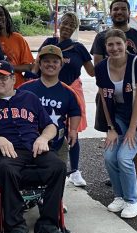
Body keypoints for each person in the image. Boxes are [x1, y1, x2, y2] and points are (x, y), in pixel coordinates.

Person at [0, 60, 68, 233]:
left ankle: (47, 225)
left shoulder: (29, 98)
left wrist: (43, 138)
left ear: (13, 79)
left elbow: (50, 126)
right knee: (6, 169)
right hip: (7, 151)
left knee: (58, 167)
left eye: (3, 77)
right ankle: (15, 227)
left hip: (34, 148)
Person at [95, 29, 137, 219]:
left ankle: (133, 201)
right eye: (110, 45)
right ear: (105, 48)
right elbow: (105, 100)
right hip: (119, 115)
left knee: (123, 157)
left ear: (125, 44)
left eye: (118, 44)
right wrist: (111, 128)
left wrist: (132, 129)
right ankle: (120, 196)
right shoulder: (101, 68)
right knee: (109, 156)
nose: (114, 48)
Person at [90, 0, 137, 189]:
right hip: (110, 94)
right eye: (115, 8)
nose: (119, 12)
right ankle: (118, 173)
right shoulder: (101, 37)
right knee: (114, 134)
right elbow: (98, 66)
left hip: (135, 93)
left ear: (128, 12)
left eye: (123, 9)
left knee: (132, 136)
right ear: (110, 12)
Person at [34, 12, 94, 187]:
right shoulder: (49, 43)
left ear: (75, 28)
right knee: (45, 129)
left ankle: (74, 171)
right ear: (59, 24)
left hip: (71, 93)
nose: (67, 27)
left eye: (71, 25)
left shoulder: (79, 48)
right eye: (65, 24)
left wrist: (109, 60)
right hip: (48, 92)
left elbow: (92, 72)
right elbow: (37, 64)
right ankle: (43, 167)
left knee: (72, 132)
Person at [19, 45, 82, 173]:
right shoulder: (25, 88)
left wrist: (73, 130)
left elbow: (75, 111)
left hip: (57, 144)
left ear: (61, 65)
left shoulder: (68, 92)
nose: (50, 65)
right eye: (46, 61)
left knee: (57, 177)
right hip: (26, 143)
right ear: (40, 64)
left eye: (55, 61)